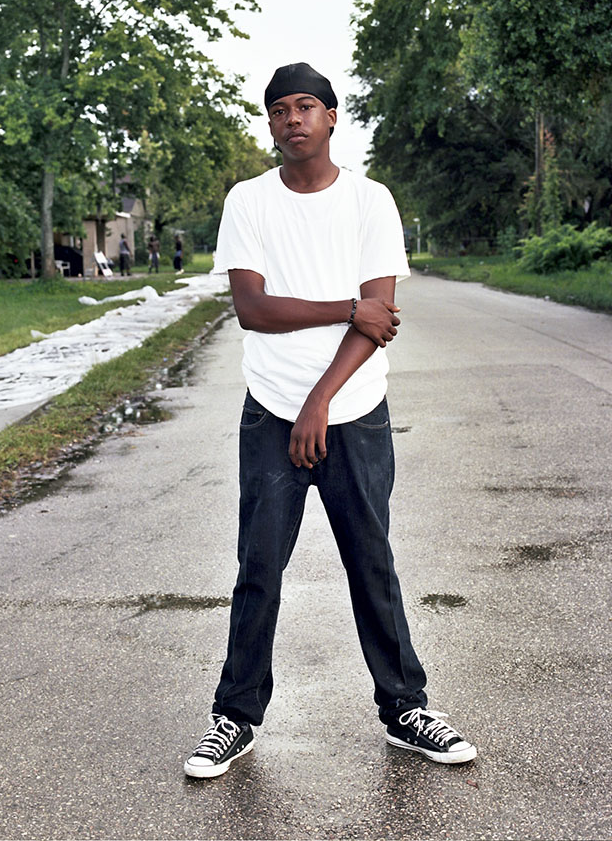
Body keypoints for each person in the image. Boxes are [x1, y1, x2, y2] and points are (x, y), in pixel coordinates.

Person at [184, 62, 476, 779]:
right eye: (279, 109)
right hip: (271, 411)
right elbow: (253, 308)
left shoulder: (370, 201)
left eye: (306, 105)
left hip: (353, 412)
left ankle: (407, 708)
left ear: (333, 117)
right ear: (272, 123)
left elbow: (382, 319)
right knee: (260, 565)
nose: (292, 119)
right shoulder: (248, 202)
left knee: (370, 561)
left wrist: (321, 399)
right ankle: (235, 716)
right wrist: (344, 307)